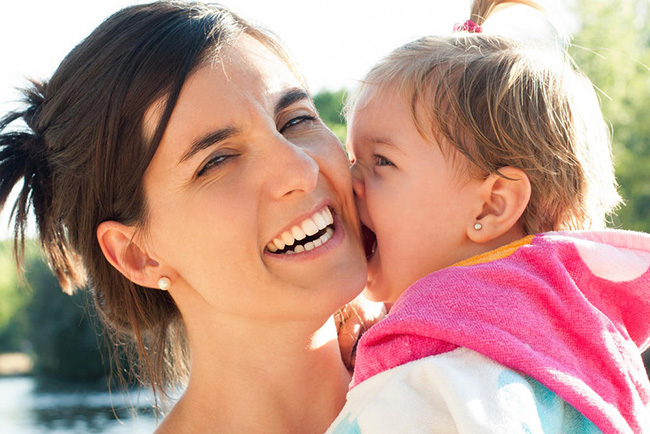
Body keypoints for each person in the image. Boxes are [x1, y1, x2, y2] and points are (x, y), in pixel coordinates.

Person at [0, 2, 370, 432]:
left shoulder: (451, 378)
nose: (301, 170)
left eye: (296, 120)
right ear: (138, 255)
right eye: (217, 160)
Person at [328, 0, 650, 432]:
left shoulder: (442, 382)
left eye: (381, 161)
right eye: (353, 158)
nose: (348, 181)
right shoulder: (570, 361)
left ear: (491, 205)